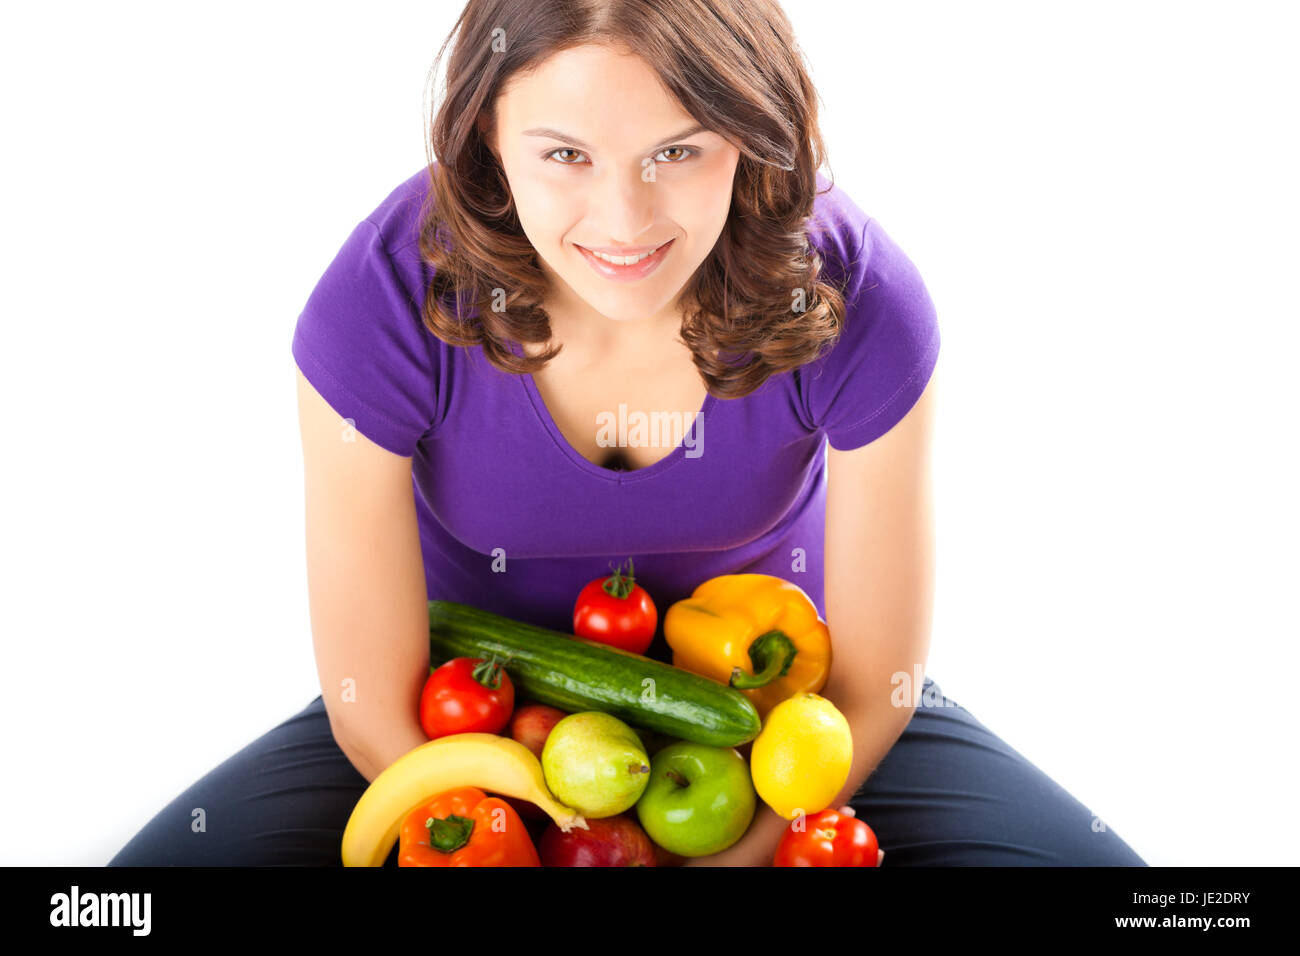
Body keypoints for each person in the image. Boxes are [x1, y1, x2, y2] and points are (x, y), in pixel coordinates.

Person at [108, 0, 1146, 867]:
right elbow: (368, 701)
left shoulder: (858, 294)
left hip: (782, 712)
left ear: (751, 132)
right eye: (563, 153)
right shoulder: (383, 293)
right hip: (462, 720)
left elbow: (876, 677)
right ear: (485, 137)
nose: (622, 219)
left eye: (677, 150)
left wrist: (742, 854)